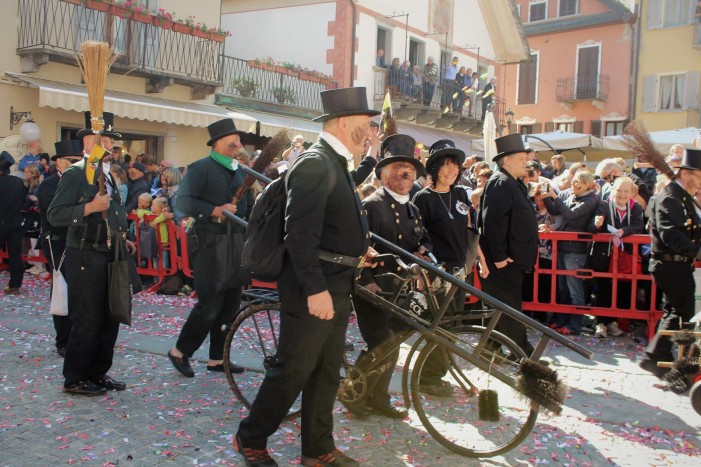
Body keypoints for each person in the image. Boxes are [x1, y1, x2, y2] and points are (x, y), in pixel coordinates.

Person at [234, 87, 379, 467]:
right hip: (314, 285)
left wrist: (358, 249)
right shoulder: (317, 162)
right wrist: (315, 290)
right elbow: (298, 234)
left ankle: (317, 449)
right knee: (293, 369)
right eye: (366, 125)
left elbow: (329, 223)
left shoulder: (335, 162)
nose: (370, 133)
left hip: (335, 281)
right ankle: (250, 438)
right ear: (345, 122)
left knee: (326, 371)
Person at [47, 111, 133, 396]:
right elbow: (55, 214)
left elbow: (115, 213)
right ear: (87, 142)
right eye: (102, 138)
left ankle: (97, 372)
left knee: (110, 316)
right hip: (84, 252)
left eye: (110, 138)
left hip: (109, 252)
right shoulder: (76, 173)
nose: (108, 144)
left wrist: (122, 236)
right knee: (87, 318)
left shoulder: (107, 174)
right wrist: (88, 209)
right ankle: (75, 377)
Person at [344, 134, 430, 419]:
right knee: (381, 343)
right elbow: (358, 245)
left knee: (391, 347)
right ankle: (353, 393)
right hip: (373, 286)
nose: (405, 173)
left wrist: (423, 251)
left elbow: (423, 240)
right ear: (383, 174)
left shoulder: (413, 208)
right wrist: (366, 281)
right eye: (397, 168)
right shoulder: (371, 204)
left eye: (410, 169)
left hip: (399, 288)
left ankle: (378, 399)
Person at [166, 118, 253, 378]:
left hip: (234, 241)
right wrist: (214, 210)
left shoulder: (240, 171)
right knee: (210, 304)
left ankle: (218, 359)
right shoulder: (201, 167)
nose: (238, 143)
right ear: (217, 143)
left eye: (238, 139)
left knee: (230, 304)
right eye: (232, 139)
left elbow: (247, 206)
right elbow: (183, 200)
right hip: (208, 242)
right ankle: (180, 351)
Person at [413, 140, 489, 396]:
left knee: (453, 325)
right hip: (438, 272)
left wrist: (480, 261)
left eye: (455, 166)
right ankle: (429, 377)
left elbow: (468, 231)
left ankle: (439, 372)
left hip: (460, 271)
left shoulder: (460, 195)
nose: (452, 170)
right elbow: (418, 237)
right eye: (446, 165)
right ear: (434, 168)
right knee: (440, 324)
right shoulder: (422, 199)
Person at [639, 149, 701, 379]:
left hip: (679, 265)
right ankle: (656, 356)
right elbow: (671, 235)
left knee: (675, 311)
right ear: (687, 173)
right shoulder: (671, 197)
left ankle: (658, 356)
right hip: (670, 265)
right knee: (681, 311)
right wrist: (698, 251)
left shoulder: (683, 197)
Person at [477, 134, 538, 356]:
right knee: (509, 309)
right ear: (506, 160)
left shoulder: (513, 182)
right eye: (521, 158)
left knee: (500, 307)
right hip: (504, 262)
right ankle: (523, 354)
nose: (526, 162)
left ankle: (489, 348)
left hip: (512, 261)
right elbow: (492, 222)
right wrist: (500, 257)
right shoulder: (501, 182)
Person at [37, 140, 83, 357]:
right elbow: (56, 215)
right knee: (61, 289)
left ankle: (79, 336)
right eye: (73, 161)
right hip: (57, 242)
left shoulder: (79, 181)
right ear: (61, 163)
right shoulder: (47, 185)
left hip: (78, 240)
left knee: (80, 291)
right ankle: (63, 339)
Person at [590, 176, 645, 337]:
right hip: (605, 254)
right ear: (613, 190)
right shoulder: (604, 205)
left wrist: (623, 231)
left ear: (631, 193)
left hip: (625, 255)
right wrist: (597, 224)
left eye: (626, 191)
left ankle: (614, 322)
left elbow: (638, 226)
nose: (622, 194)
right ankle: (601, 323)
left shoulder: (635, 208)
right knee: (603, 288)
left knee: (622, 289)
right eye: (619, 190)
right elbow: (592, 226)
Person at [0, 152, 26, 295]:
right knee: (15, 255)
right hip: (15, 222)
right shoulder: (17, 182)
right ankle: (15, 285)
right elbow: (24, 201)